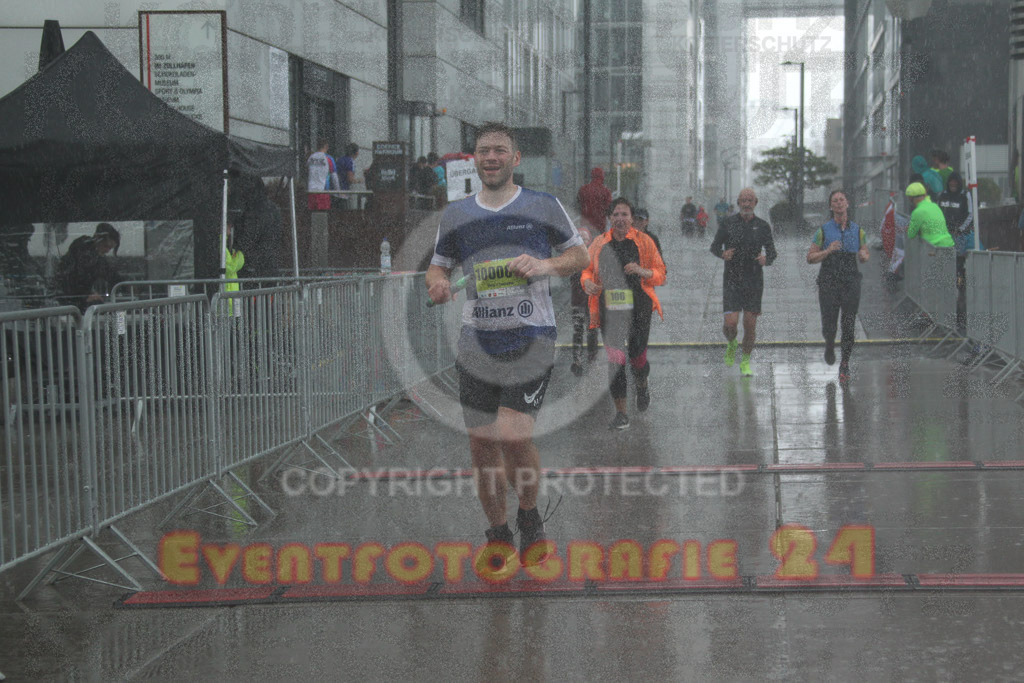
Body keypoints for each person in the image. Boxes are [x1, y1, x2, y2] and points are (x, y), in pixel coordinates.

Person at [426, 122, 589, 566]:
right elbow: (437, 268)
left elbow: (580, 256)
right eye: (484, 150)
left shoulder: (542, 205)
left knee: (514, 434)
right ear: (474, 159)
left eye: (500, 150)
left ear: (516, 159)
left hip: (531, 337)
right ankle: (498, 532)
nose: (491, 157)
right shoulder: (457, 214)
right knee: (482, 444)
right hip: (477, 342)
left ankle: (530, 517)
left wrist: (543, 265)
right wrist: (439, 285)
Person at [581, 198, 666, 430]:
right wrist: (587, 282)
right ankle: (621, 413)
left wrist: (641, 270)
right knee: (615, 360)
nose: (620, 219)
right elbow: (587, 270)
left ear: (631, 218)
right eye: (616, 214)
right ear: (610, 218)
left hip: (640, 307)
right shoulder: (599, 243)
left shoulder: (645, 242)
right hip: (610, 309)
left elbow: (661, 274)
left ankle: (641, 385)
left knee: (637, 359)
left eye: (625, 214)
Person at [710, 188, 777, 377]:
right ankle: (732, 343)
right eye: (743, 200)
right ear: (738, 203)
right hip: (732, 279)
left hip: (754, 281)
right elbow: (714, 247)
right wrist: (723, 254)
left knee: (750, 325)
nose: (746, 204)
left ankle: (746, 361)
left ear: (756, 203)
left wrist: (767, 258)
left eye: (750, 200)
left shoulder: (763, 226)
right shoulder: (728, 223)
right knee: (731, 324)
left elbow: (772, 251)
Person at [806, 190, 869, 383]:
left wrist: (864, 256)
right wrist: (827, 251)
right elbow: (810, 257)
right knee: (830, 324)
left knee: (849, 323)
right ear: (830, 206)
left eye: (842, 200)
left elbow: (864, 251)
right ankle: (829, 343)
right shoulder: (823, 231)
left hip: (850, 280)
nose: (839, 203)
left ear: (847, 203)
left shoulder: (858, 230)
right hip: (829, 280)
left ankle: (845, 364)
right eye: (835, 201)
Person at [56, 223, 122, 311]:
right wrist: (86, 295)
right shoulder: (82, 249)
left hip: (77, 297)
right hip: (66, 297)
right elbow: (74, 275)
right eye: (106, 246)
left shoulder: (98, 258)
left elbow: (111, 275)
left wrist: (127, 285)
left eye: (110, 248)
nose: (107, 251)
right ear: (98, 239)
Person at [569, 221, 598, 376]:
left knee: (592, 331)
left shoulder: (594, 256)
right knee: (578, 330)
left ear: (590, 241)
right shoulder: (574, 257)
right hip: (578, 301)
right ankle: (577, 360)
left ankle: (592, 357)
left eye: (585, 238)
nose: (583, 240)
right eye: (580, 237)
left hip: (592, 301)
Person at [905, 182, 954, 247]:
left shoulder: (918, 212)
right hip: (949, 244)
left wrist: (907, 229)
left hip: (934, 248)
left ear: (911, 198)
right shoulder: (934, 206)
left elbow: (911, 234)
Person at [577, 167, 612, 236]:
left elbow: (578, 204)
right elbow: (609, 208)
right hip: (600, 225)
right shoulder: (605, 191)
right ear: (602, 176)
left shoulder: (583, 189)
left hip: (586, 224)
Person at [306, 139, 339, 211]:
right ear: (326, 146)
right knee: (323, 215)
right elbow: (334, 177)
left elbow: (307, 172)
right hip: (323, 191)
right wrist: (338, 191)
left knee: (312, 214)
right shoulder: (328, 159)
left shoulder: (311, 158)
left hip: (311, 191)